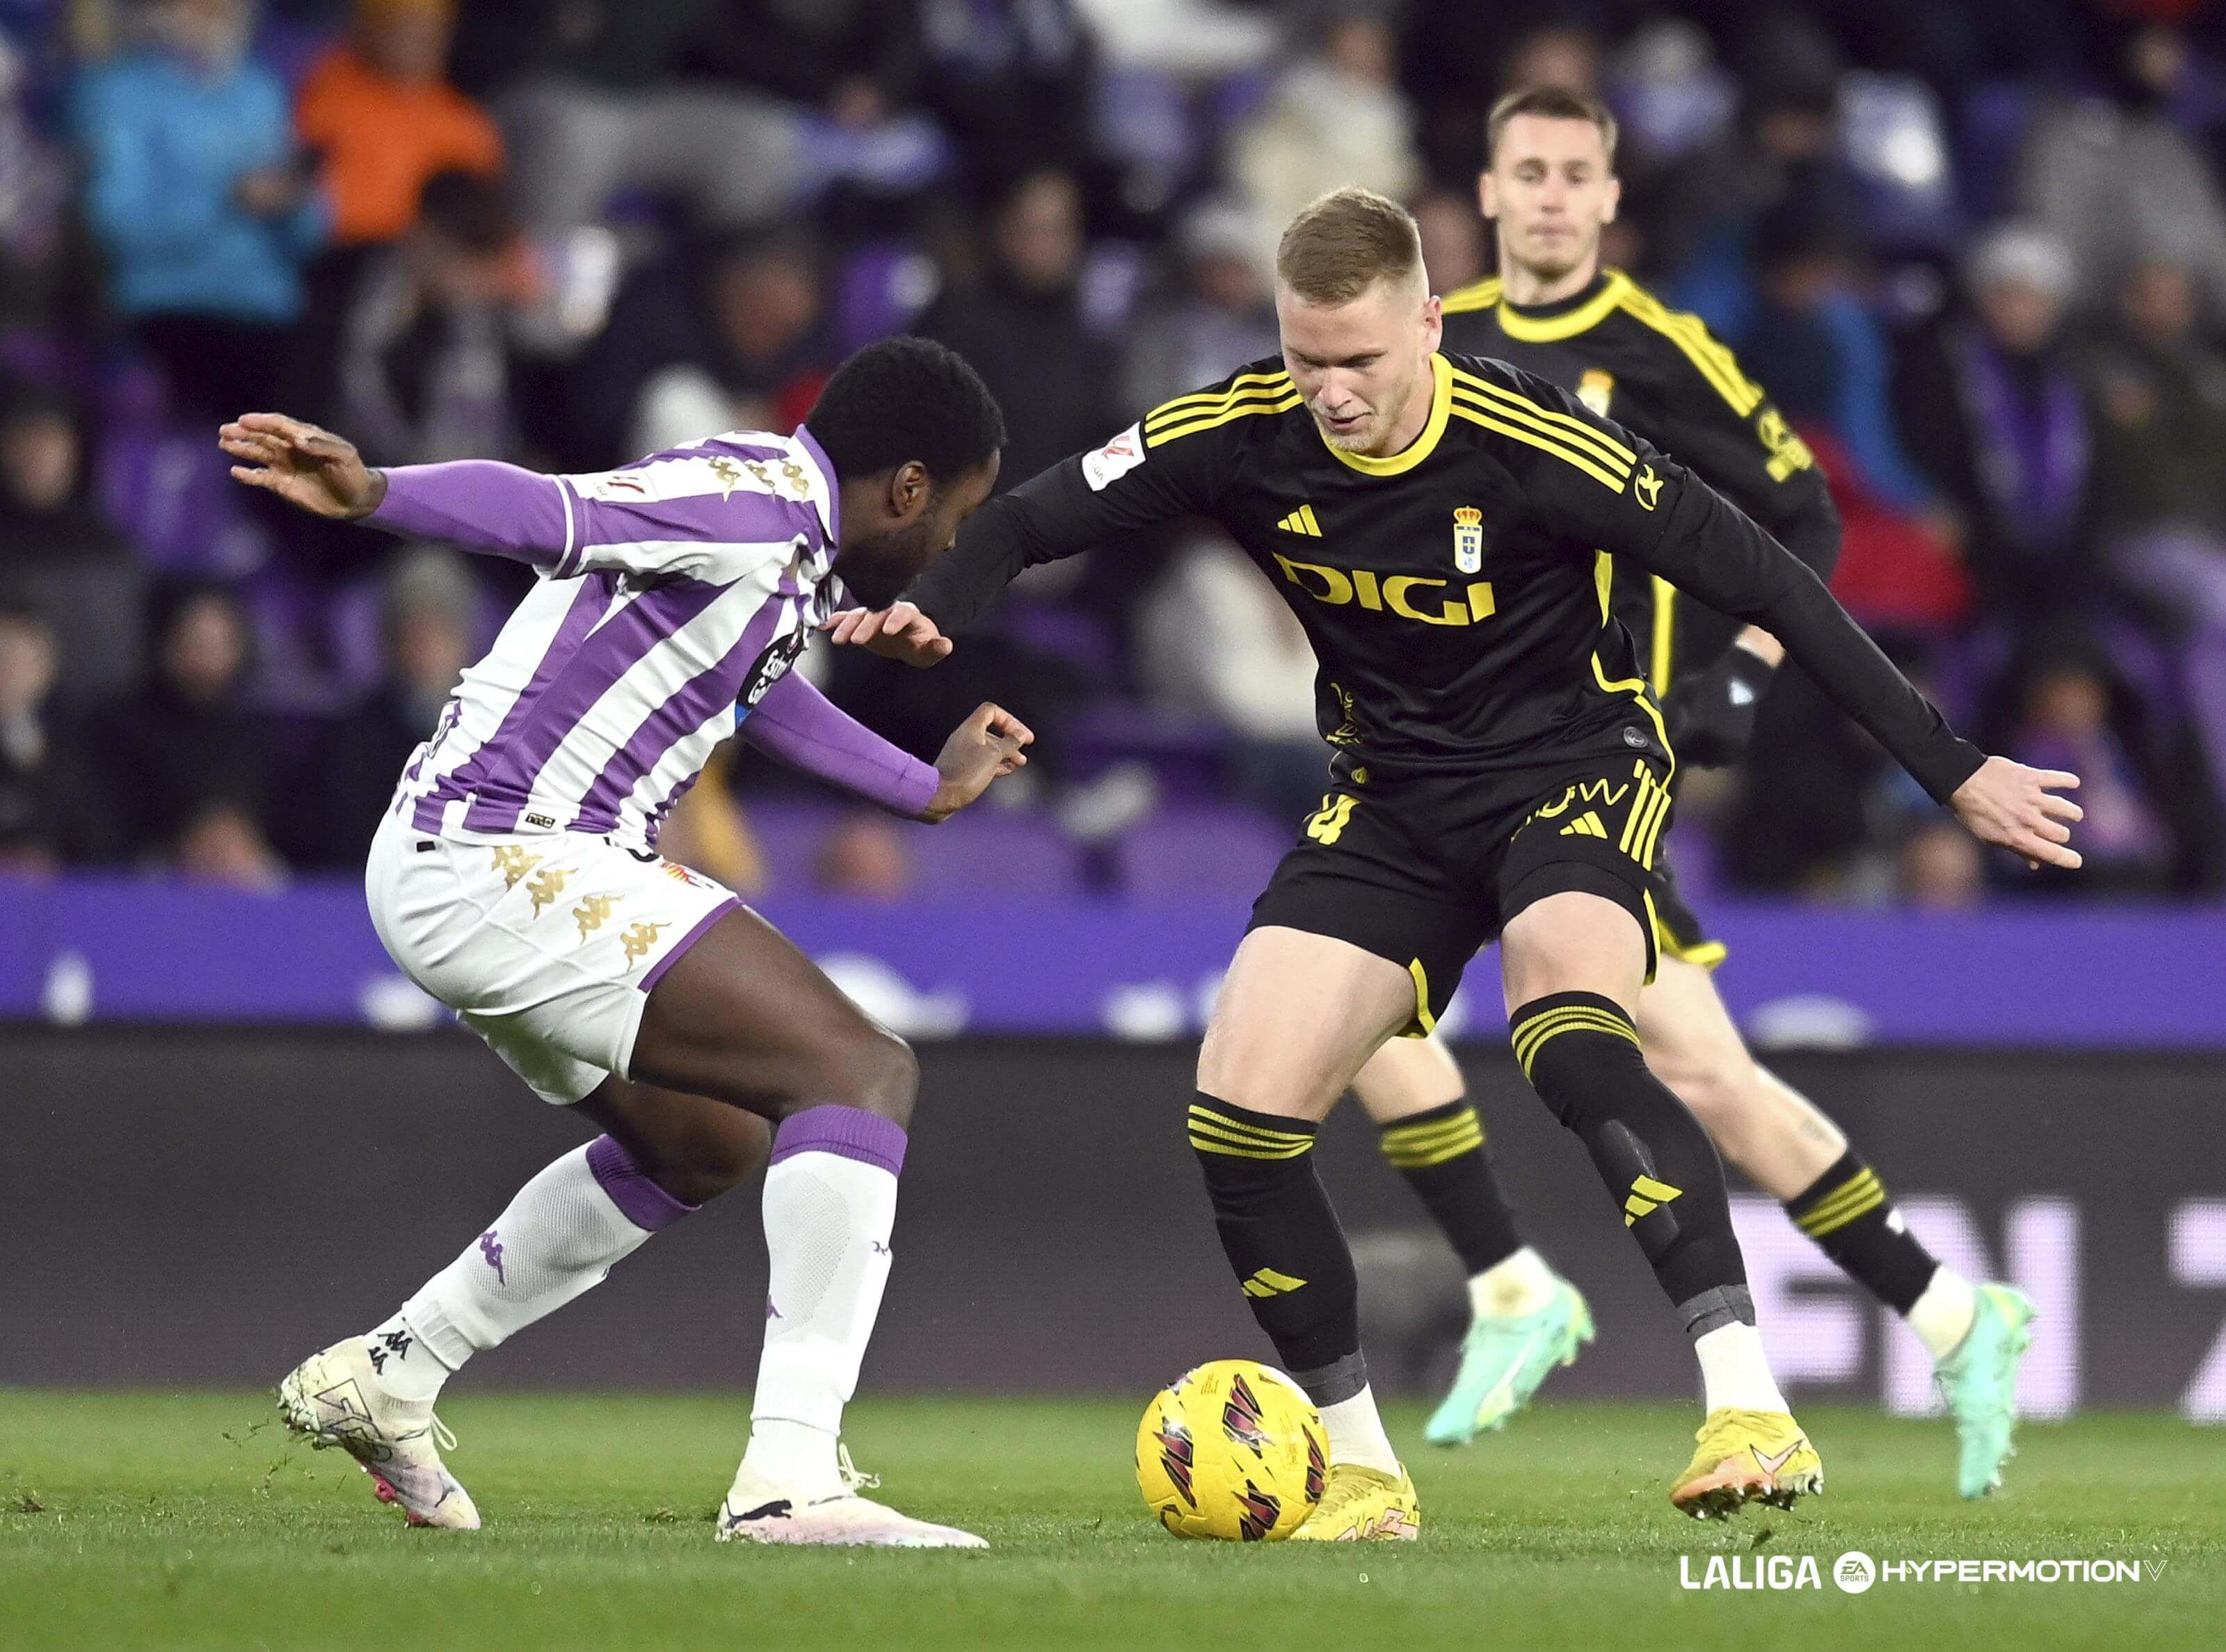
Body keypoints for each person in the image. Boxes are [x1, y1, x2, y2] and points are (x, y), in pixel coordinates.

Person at [835, 189, 2081, 1532]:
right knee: (1237, 1116)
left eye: (1361, 360)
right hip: (1391, 797)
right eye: (1306, 358)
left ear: (1430, 324)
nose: (1331, 392)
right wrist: (933, 603)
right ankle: (1367, 1474)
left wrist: (1952, 768)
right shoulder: (1239, 428)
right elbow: (1028, 518)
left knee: (1573, 1035)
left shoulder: (1539, 442)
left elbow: (1772, 579)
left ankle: (1750, 1410)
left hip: (1572, 772)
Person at [1340, 86, 2040, 1500]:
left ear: (1610, 203)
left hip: (1592, 768)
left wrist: (1745, 670)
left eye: (1574, 174)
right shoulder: (1431, 344)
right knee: (1680, 1078)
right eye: (1527, 171)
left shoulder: (1659, 351)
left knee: (1616, 1062)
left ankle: (1525, 1289)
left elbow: (1804, 516)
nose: (1549, 195)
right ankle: (1949, 1313)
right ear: (1486, 192)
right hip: (1450, 762)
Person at [219, 336, 1030, 1546]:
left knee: (705, 1141)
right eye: (954, 518)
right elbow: (552, 513)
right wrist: (376, 491)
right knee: (859, 1071)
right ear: (909, 489)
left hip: (487, 860)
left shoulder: (785, 551)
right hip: (504, 849)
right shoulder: (750, 504)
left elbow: (756, 690)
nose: (947, 546)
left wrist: (926, 788)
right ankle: (790, 1478)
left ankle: (393, 1372)